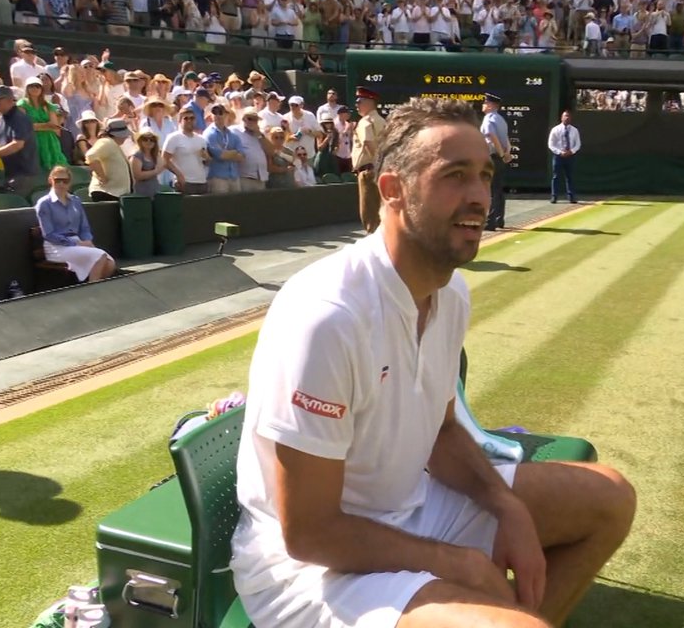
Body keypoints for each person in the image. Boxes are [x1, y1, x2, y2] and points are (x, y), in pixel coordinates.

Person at [230, 97, 636, 628]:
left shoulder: (452, 293)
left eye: (485, 176)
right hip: (311, 569)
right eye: (455, 176)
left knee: (610, 497)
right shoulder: (327, 316)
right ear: (392, 190)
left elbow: (441, 431)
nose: (478, 198)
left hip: (412, 507)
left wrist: (506, 506)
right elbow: (309, 533)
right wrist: (456, 563)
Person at [36, 165, 117, 282]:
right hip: (56, 247)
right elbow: (49, 234)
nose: (61, 184)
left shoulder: (75, 200)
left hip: (78, 243)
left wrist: (87, 241)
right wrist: (76, 243)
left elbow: (84, 226)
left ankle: (92, 286)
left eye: (65, 181)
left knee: (110, 263)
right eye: (57, 180)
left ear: (69, 183)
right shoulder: (44, 203)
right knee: (99, 256)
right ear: (50, 180)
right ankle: (93, 290)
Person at [0, 84, 41, 195]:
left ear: (9, 100)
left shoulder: (19, 118)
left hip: (24, 175)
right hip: (11, 174)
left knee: (19, 209)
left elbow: (17, 144)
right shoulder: (2, 118)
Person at [351, 85, 386, 233]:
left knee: (370, 217)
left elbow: (367, 143)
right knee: (381, 215)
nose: (356, 105)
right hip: (381, 170)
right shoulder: (382, 121)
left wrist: (378, 167)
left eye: (359, 101)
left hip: (369, 171)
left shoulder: (365, 121)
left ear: (369, 102)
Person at [480, 93, 512, 231]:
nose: (483, 105)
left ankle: (490, 222)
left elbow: (491, 136)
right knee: (498, 189)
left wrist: (500, 153)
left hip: (492, 156)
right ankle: (499, 219)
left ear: (491, 105)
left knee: (491, 190)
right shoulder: (501, 120)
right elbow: (507, 140)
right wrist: (506, 154)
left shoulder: (488, 119)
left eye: (485, 102)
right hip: (499, 157)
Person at [162, 106, 210, 195]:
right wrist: (178, 175)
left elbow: (207, 162)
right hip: (184, 183)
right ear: (180, 121)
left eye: (192, 118)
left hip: (201, 182)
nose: (189, 121)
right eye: (186, 118)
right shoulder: (174, 138)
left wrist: (206, 158)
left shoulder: (201, 139)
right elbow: (165, 160)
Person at [86, 118, 133, 199]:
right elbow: (91, 156)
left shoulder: (113, 144)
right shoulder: (107, 142)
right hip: (106, 193)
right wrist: (102, 177)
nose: (126, 137)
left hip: (114, 193)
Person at [546, 110, 580, 204]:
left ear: (571, 118)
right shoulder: (555, 129)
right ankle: (554, 196)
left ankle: (571, 197)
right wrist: (560, 152)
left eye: (568, 116)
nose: (567, 118)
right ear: (561, 118)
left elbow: (578, 144)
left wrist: (571, 151)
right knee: (556, 176)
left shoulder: (574, 130)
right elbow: (551, 144)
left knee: (570, 177)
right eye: (565, 116)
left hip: (570, 157)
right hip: (558, 157)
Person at [129, 130, 167, 197]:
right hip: (141, 193)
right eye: (145, 139)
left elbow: (162, 166)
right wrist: (155, 171)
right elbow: (138, 176)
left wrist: (153, 171)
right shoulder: (137, 156)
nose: (149, 141)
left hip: (155, 190)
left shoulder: (156, 155)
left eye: (152, 139)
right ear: (140, 141)